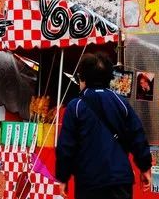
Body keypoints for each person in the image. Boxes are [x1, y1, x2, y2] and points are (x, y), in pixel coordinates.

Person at [56, 53, 152, 199]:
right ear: (109, 78)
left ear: (83, 78)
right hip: (120, 180)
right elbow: (137, 135)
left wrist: (63, 178)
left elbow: (66, 146)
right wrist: (145, 167)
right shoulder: (121, 102)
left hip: (89, 182)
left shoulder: (76, 106)